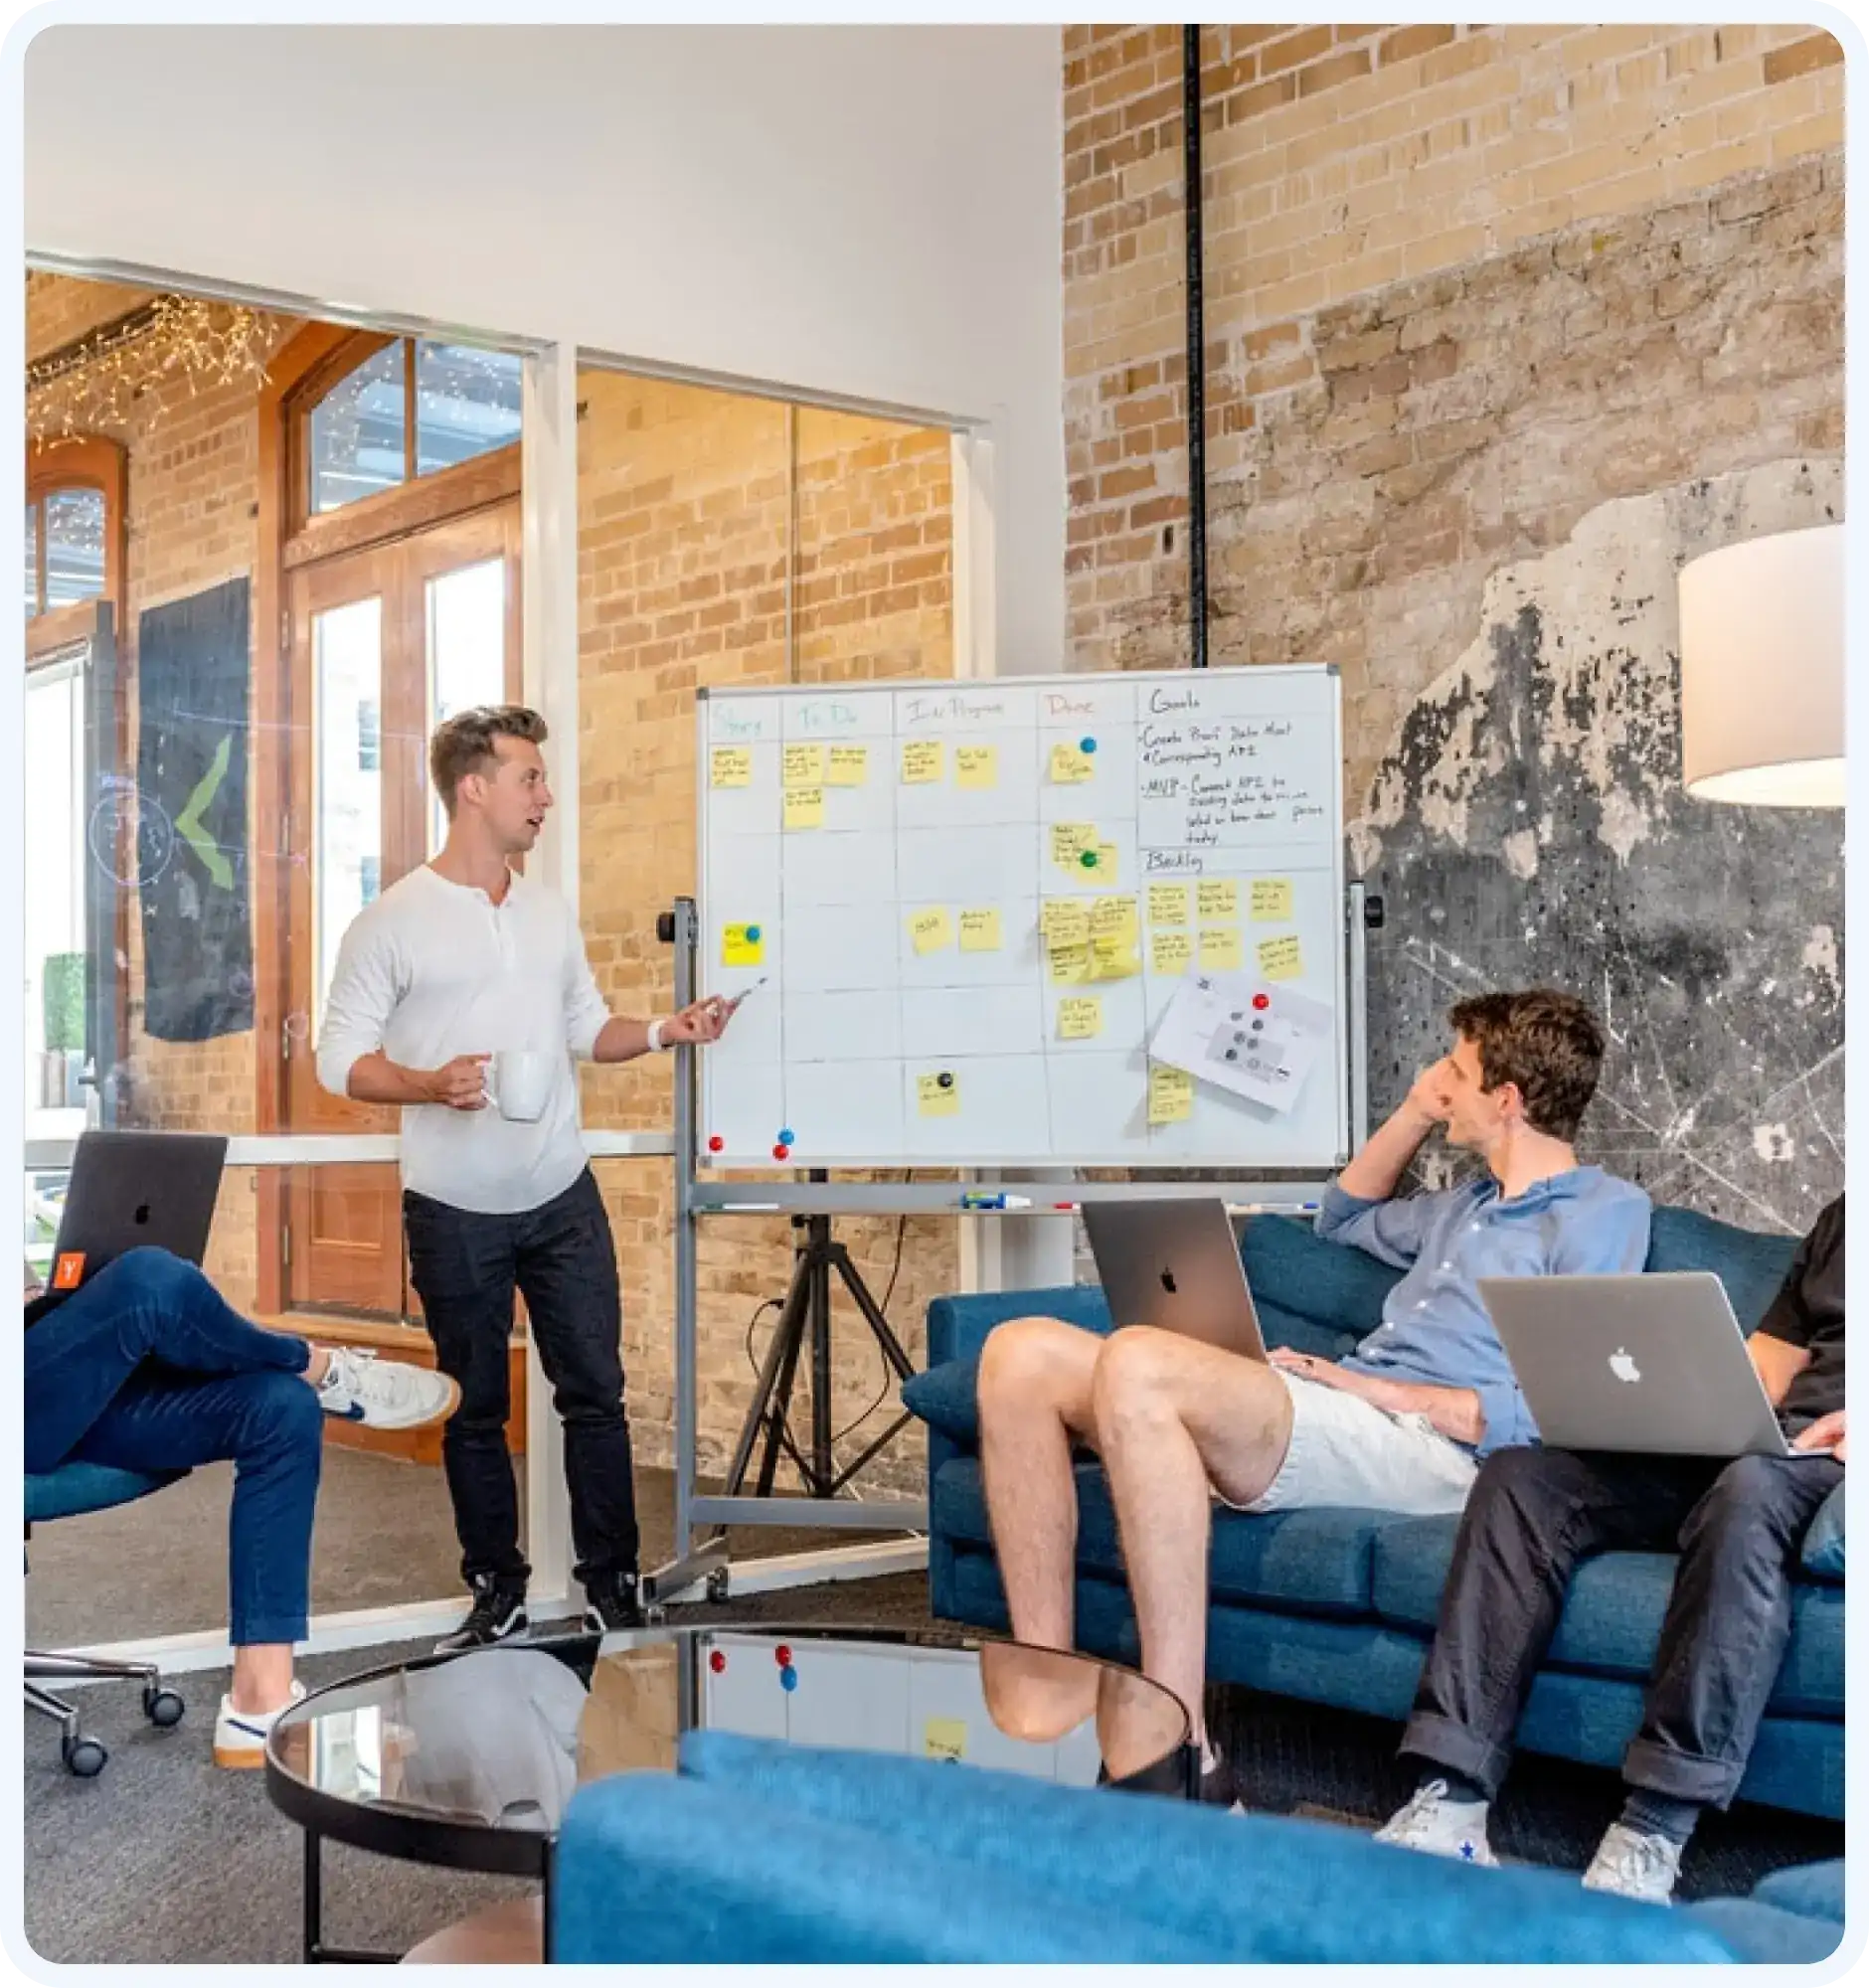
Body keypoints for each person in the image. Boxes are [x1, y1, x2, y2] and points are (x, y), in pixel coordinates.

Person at [976, 988, 1651, 1802]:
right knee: (1020, 1354)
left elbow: (1560, 1405)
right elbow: (1342, 1216)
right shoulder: (1464, 1209)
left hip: (1436, 1455)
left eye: (1456, 1072)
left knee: (1142, 1364)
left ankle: (1183, 1741)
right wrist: (1410, 1111)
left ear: (1506, 1100)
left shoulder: (1601, 1214)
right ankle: (1048, 1670)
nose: (1439, 1080)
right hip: (1348, 1416)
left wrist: (1375, 1388)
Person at [316, 704, 733, 1652]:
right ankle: (496, 1589)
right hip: (453, 1207)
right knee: (474, 1402)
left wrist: (668, 1029)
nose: (545, 797)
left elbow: (587, 1029)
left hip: (561, 1194)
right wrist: (428, 1082)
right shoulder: (392, 921)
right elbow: (337, 1061)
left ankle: (611, 1583)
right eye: (530, 778)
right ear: (475, 787)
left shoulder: (546, 914)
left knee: (595, 1392)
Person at [1376, 1194, 1844, 1904]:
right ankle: (1453, 1797)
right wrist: (1677, 1404)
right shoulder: (1846, 1216)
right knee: (1522, 1476)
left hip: (1829, 1472)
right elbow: (1767, 1372)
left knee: (1749, 1491)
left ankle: (1655, 1825)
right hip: (1772, 1443)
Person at [25, 1245, 455, 1767]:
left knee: (280, 1408)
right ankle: (317, 1366)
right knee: (149, 1280)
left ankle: (260, 1703)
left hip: (60, 1388)